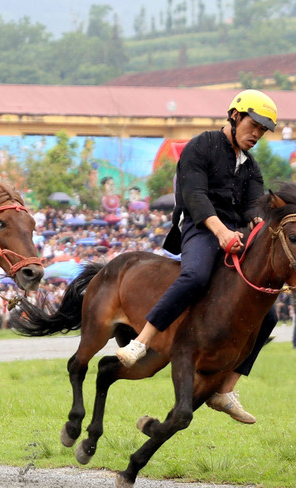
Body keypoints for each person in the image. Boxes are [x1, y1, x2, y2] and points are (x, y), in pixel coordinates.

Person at [114, 89, 279, 424]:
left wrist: (258, 223)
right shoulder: (199, 147)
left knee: (271, 316)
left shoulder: (252, 167)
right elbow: (194, 196)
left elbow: (252, 207)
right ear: (235, 116)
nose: (257, 134)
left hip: (236, 237)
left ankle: (226, 390)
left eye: (263, 130)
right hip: (199, 229)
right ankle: (142, 342)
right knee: (195, 276)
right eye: (254, 125)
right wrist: (220, 232)